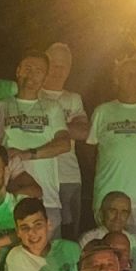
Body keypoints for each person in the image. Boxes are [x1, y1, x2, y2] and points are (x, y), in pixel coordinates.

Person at [87, 58, 136, 255]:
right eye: (127, 74)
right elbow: (90, 152)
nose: (133, 78)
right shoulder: (102, 111)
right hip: (106, 197)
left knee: (135, 257)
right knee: (104, 254)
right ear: (117, 79)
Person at [0, 52, 74, 230]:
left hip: (47, 198)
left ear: (45, 77)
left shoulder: (52, 107)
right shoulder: (1, 106)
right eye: (28, 68)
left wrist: (28, 154)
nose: (32, 75)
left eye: (39, 71)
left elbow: (64, 144)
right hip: (12, 198)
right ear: (18, 71)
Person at [41, 42, 90, 228]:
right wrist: (66, 128)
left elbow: (83, 132)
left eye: (63, 66)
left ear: (69, 69)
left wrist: (46, 125)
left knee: (68, 234)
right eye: (54, 65)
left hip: (68, 177)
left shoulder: (73, 99)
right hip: (37, 177)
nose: (58, 70)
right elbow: (74, 130)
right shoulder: (33, 95)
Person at [80, 190, 136, 271]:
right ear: (103, 212)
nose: (118, 217)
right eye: (113, 211)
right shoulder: (87, 239)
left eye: (124, 212)